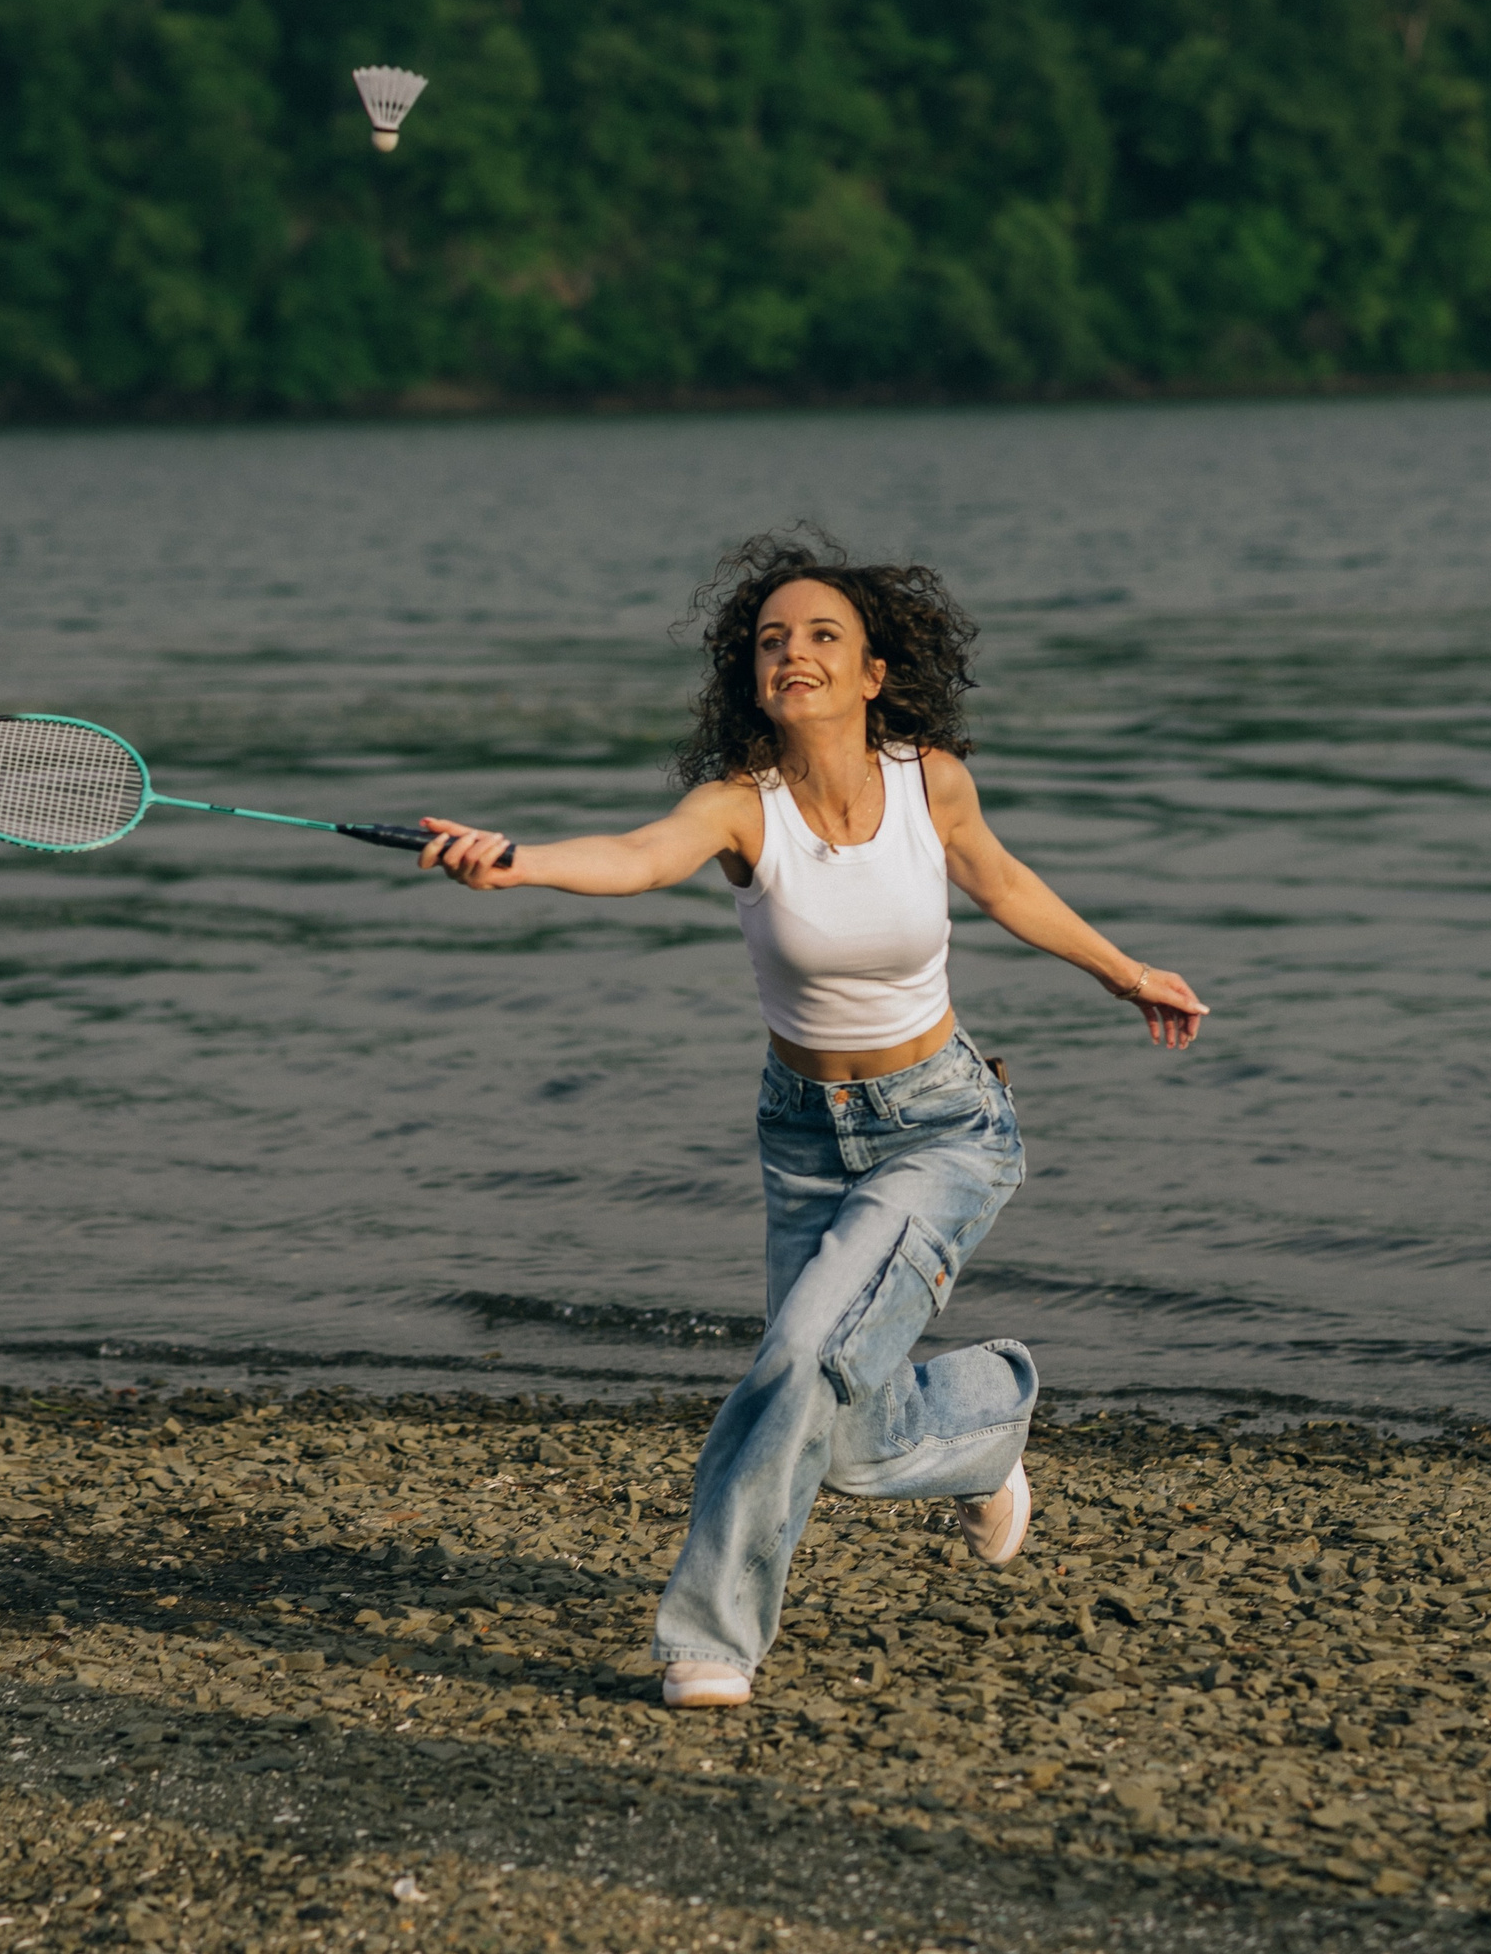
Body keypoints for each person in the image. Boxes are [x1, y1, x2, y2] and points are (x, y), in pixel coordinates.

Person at [417, 532, 1208, 1708]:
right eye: (771, 639)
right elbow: (637, 858)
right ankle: (991, 1418)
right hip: (802, 1139)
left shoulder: (927, 778)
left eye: (821, 635)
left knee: (792, 1363)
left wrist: (1120, 968)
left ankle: (708, 1639)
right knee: (846, 1434)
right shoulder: (742, 808)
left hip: (943, 1127)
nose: (793, 651)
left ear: (873, 672)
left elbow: (998, 878)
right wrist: (518, 863)